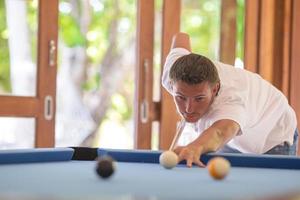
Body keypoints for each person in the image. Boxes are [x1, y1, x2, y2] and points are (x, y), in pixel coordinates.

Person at [162, 32, 298, 168]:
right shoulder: (173, 72)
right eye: (181, 97)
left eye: (199, 99)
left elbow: (219, 133)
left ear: (215, 89)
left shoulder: (232, 99)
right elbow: (181, 38)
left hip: (272, 133)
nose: (188, 108)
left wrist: (194, 147)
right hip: (233, 140)